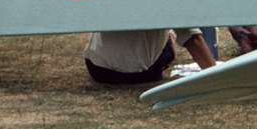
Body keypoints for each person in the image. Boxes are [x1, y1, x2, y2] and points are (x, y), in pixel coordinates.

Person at [84, 28, 216, 85]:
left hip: (97, 68)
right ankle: (169, 40)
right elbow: (193, 40)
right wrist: (216, 75)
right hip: (141, 75)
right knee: (167, 49)